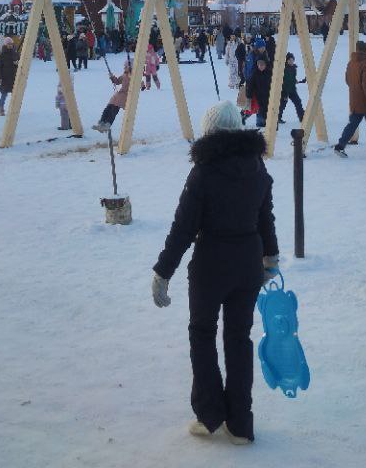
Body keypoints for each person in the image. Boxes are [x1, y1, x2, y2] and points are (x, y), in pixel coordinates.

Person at [151, 101, 278, 445]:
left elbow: (183, 228)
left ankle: (210, 415)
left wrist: (163, 272)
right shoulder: (257, 167)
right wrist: (271, 259)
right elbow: (265, 217)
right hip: (248, 264)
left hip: (211, 266)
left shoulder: (204, 172)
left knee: (202, 334)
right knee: (239, 338)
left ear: (210, 132)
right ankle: (240, 424)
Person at [92, 61, 133, 133]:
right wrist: (112, 77)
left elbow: (140, 83)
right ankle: (101, 123)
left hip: (125, 95)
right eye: (124, 66)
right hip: (118, 95)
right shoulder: (124, 75)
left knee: (113, 110)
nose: (124, 68)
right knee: (108, 108)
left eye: (126, 66)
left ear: (130, 67)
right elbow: (117, 81)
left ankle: (107, 124)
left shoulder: (132, 75)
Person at [277, 53, 305, 126]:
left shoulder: (294, 68)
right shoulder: (284, 69)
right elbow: (284, 80)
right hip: (284, 90)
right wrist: (284, 93)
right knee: (282, 105)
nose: (291, 61)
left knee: (298, 102)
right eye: (289, 60)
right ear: (286, 61)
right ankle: (277, 118)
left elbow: (292, 78)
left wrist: (297, 81)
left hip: (292, 89)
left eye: (292, 60)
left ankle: (302, 117)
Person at [246, 56, 273, 127]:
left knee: (267, 110)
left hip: (268, 96)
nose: (260, 66)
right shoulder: (255, 74)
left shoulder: (270, 73)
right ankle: (260, 123)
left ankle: (267, 122)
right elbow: (251, 86)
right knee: (259, 111)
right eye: (259, 65)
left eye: (262, 65)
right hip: (258, 97)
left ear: (266, 65)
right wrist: (249, 96)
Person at [0, 40, 18, 115]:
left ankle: (13, 110)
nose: (10, 45)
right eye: (8, 44)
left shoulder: (15, 53)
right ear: (6, 45)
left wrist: (16, 63)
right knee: (4, 94)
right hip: (5, 78)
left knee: (15, 95)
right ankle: (1, 109)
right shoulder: (2, 55)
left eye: (11, 44)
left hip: (14, 77)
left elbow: (19, 63)